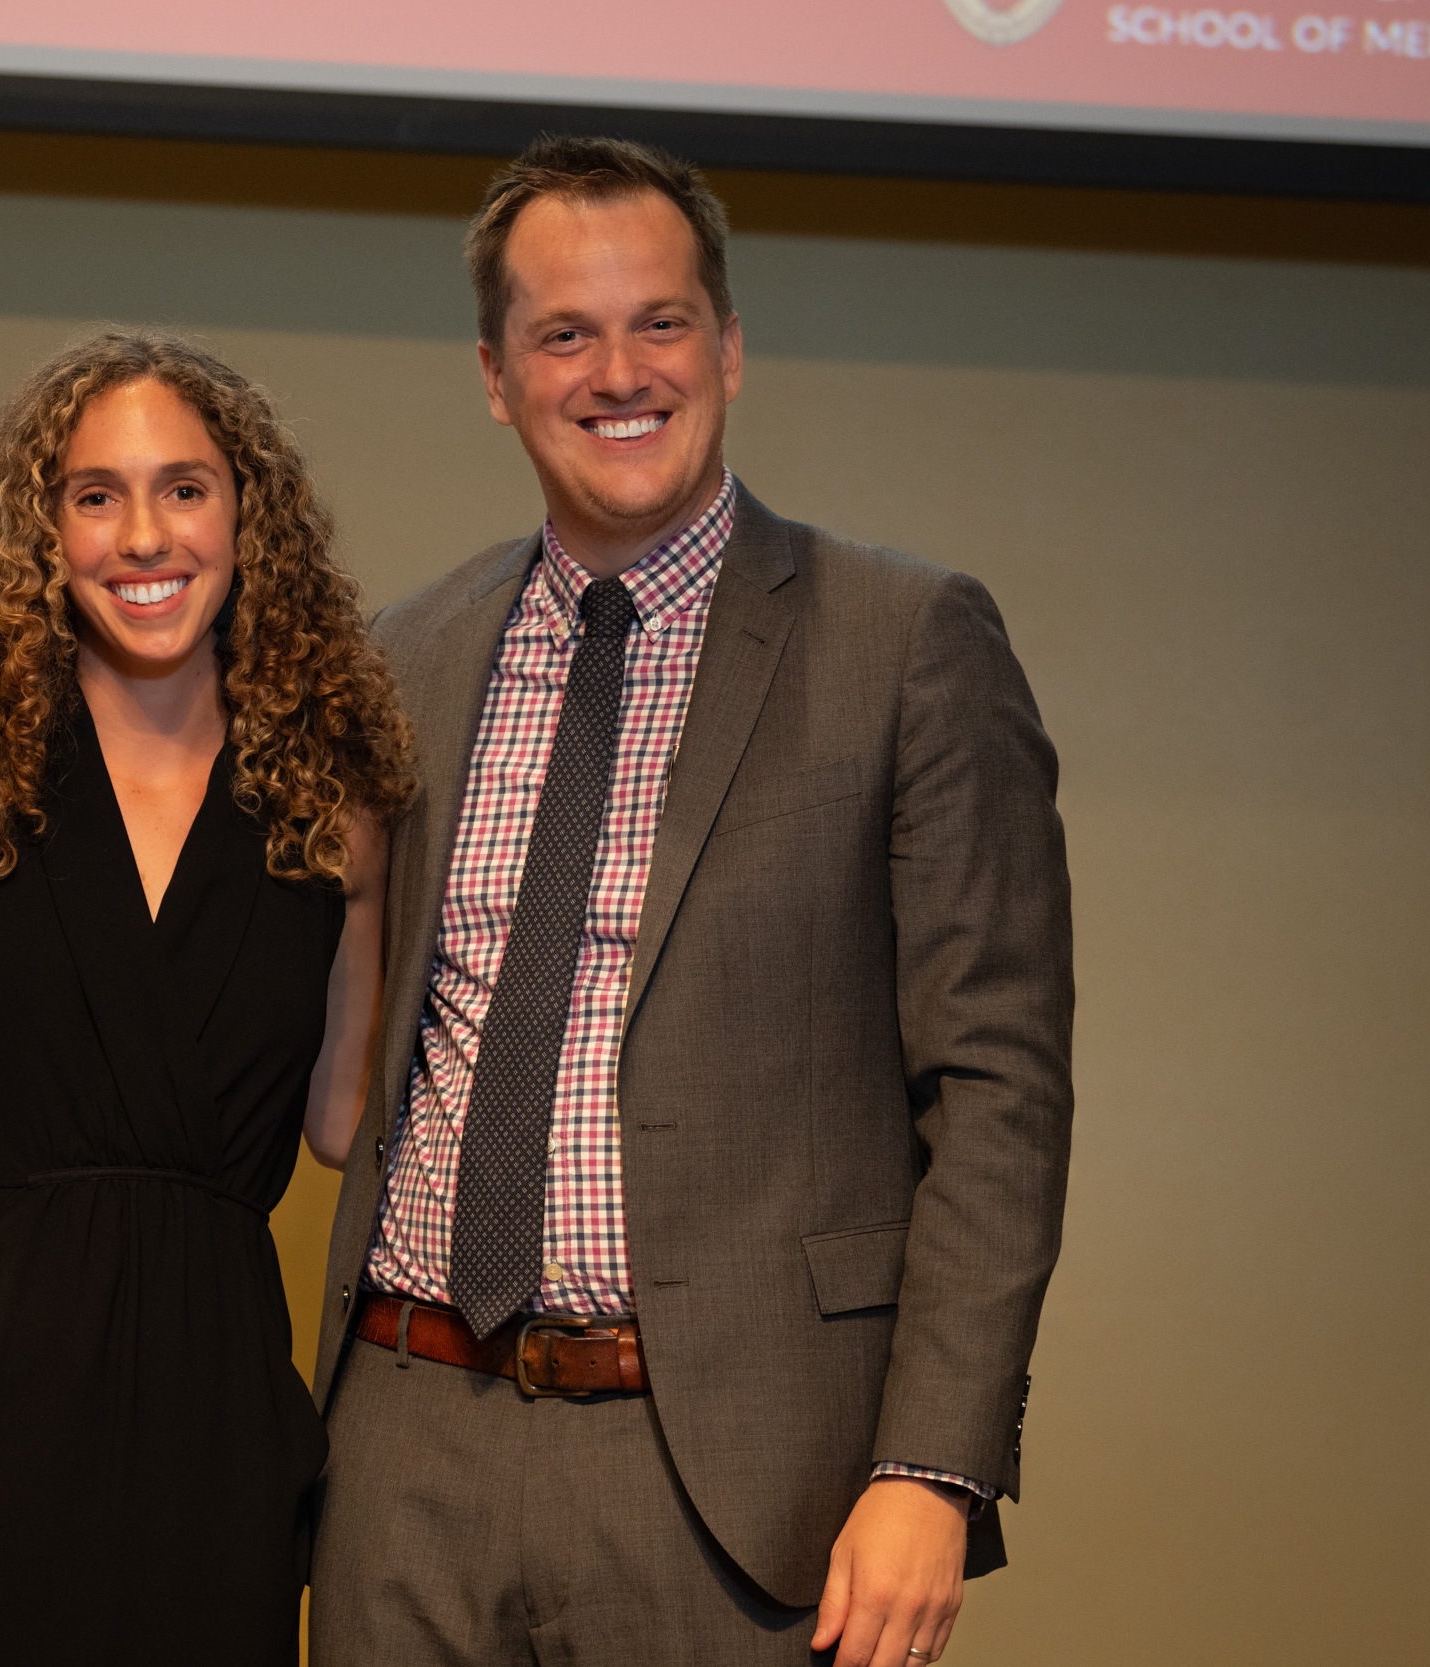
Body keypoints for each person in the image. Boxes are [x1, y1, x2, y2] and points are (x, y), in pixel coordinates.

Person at [305, 136, 1073, 1667]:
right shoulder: (407, 655)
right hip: (405, 1445)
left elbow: (998, 1090)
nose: (617, 372)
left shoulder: (906, 640)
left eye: (658, 322)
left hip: (734, 1479)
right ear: (496, 375)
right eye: (563, 334)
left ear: (727, 345)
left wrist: (932, 1468)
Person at [0, 332, 413, 1665]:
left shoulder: (338, 816)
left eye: (185, 489)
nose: (143, 536)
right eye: (95, 495)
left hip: (207, 1438)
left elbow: (349, 1127)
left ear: (248, 520)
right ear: (42, 533)